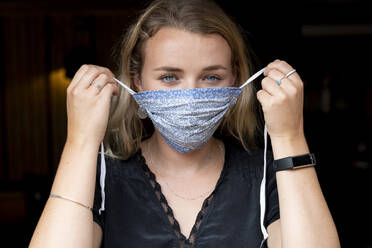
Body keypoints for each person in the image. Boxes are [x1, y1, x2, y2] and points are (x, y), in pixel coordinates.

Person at [29, 0, 340, 247]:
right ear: (137, 81)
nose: (191, 94)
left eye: (211, 77)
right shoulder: (99, 177)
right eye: (169, 77)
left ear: (235, 79)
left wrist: (290, 136)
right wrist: (81, 140)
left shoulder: (266, 176)